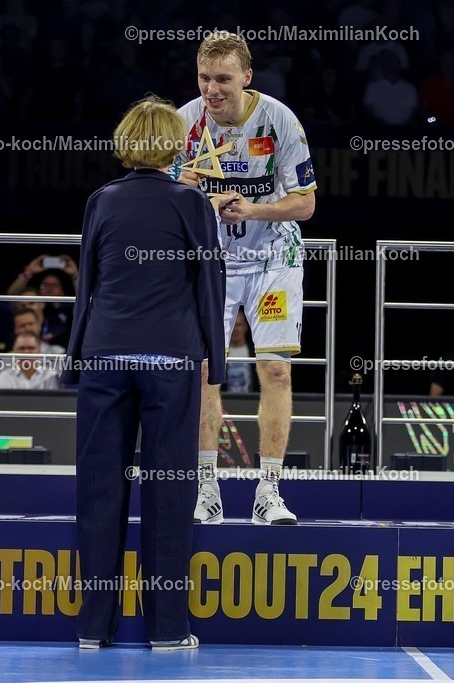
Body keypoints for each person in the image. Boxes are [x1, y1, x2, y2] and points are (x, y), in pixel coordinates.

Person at [62, 96, 227, 651]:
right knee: (168, 495)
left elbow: (87, 282)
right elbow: (210, 285)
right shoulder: (192, 202)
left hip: (105, 359)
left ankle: (92, 630)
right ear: (177, 144)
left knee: (100, 492)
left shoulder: (100, 201)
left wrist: (74, 359)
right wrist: (217, 363)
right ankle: (167, 630)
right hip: (171, 363)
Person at [173, 32, 316, 526]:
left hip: (274, 258)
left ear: (246, 77)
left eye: (223, 80)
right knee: (205, 372)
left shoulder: (279, 120)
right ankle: (206, 489)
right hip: (211, 264)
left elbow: (306, 203)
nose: (212, 90)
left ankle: (269, 492)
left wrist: (251, 208)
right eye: (204, 78)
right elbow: (164, 199)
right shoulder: (185, 124)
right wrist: (194, 198)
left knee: (276, 370)